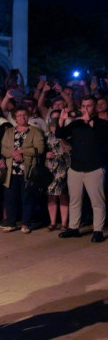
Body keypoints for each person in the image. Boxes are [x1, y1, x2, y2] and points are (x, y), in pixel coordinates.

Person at [56, 96, 108, 242]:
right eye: (83, 106)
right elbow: (59, 134)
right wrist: (61, 120)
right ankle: (73, 228)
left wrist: (90, 122)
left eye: (89, 106)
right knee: (75, 200)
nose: (85, 109)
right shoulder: (76, 123)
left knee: (97, 202)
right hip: (75, 167)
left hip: (94, 168)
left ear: (95, 107)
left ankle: (98, 230)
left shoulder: (102, 123)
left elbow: (105, 137)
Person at [0, 106, 45, 234]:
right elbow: (3, 149)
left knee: (27, 198)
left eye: (24, 115)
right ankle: (11, 223)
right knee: (10, 198)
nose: (22, 118)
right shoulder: (9, 132)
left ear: (28, 116)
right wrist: (13, 153)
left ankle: (26, 223)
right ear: (15, 118)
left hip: (27, 171)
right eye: (19, 116)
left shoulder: (35, 131)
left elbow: (40, 149)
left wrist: (22, 151)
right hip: (11, 171)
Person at [44, 110, 70, 231]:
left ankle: (64, 223)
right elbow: (41, 149)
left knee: (63, 195)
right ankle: (52, 223)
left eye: (57, 118)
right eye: (53, 119)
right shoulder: (46, 135)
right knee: (51, 196)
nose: (54, 122)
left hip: (64, 168)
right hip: (50, 169)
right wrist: (45, 154)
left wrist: (60, 136)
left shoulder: (68, 133)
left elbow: (70, 149)